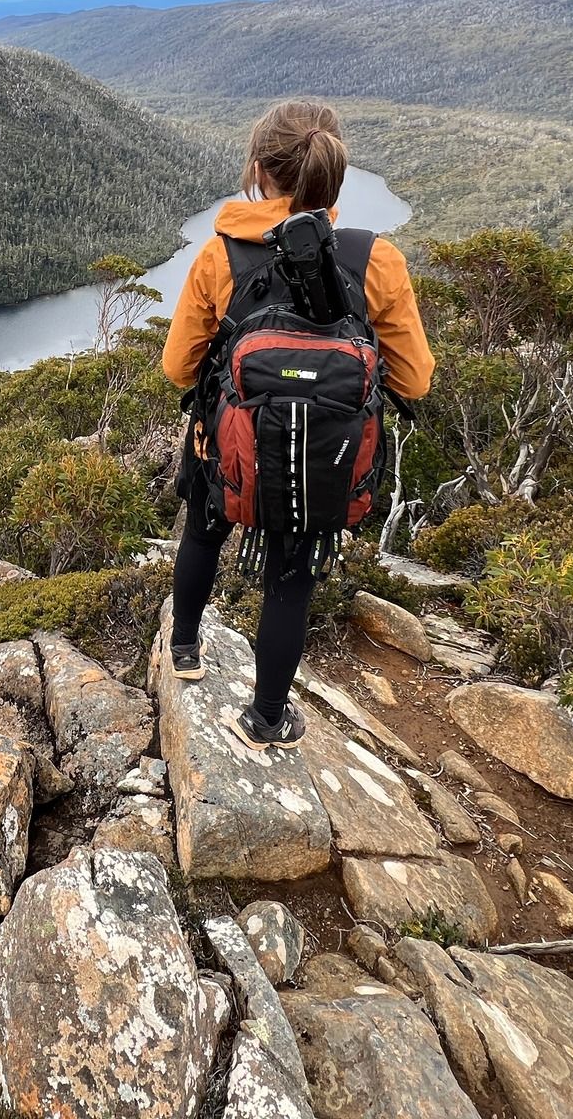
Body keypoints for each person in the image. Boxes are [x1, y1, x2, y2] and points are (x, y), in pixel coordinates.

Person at [160, 99, 434, 749]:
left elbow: (178, 369)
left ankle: (184, 647)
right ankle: (266, 718)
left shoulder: (219, 257)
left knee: (203, 532)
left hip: (226, 442)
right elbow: (415, 380)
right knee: (292, 578)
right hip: (323, 460)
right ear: (333, 174)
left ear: (259, 170)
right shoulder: (377, 261)